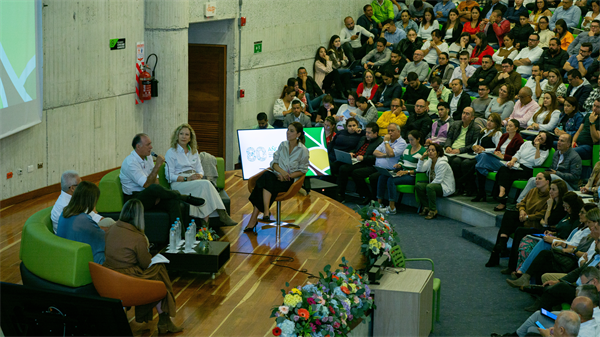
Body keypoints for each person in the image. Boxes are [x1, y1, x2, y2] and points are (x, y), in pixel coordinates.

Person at [103, 199, 182, 335]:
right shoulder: (137, 237)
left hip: (108, 275)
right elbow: (145, 263)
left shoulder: (112, 228)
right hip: (127, 278)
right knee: (160, 270)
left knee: (158, 275)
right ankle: (164, 320)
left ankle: (164, 320)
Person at [119, 133, 204, 227]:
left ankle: (179, 238)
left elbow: (155, 180)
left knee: (174, 203)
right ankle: (184, 197)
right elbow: (147, 184)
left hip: (150, 195)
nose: (151, 147)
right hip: (134, 199)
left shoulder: (148, 157)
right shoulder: (131, 162)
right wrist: (158, 165)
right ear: (138, 146)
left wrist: (158, 195)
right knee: (153, 188)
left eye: (150, 144)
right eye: (148, 145)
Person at [165, 124, 237, 227]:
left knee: (203, 188)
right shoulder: (171, 152)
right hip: (179, 183)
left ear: (190, 138)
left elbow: (200, 170)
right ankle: (222, 214)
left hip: (194, 181)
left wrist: (199, 175)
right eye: (181, 134)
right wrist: (187, 178)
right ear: (177, 136)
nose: (183, 137)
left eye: (186, 134)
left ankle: (205, 225)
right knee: (206, 184)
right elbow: (169, 176)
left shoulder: (194, 152)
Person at [244, 122, 309, 232]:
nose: (288, 132)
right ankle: (264, 212)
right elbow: (273, 163)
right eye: (287, 130)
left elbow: (303, 170)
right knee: (267, 177)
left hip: (289, 181)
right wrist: (281, 173)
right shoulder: (282, 145)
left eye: (291, 131)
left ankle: (261, 215)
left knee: (264, 182)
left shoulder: (303, 150)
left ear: (298, 134)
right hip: (277, 176)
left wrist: (287, 176)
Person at [510, 195, 589, 281]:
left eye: (567, 207)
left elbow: (570, 242)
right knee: (526, 240)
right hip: (560, 240)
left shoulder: (580, 224)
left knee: (542, 243)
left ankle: (522, 272)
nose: (579, 214)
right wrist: (553, 233)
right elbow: (560, 230)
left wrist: (554, 239)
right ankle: (518, 269)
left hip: (566, 248)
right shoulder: (577, 223)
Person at [485, 171, 552, 267]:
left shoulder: (549, 196)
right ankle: (502, 243)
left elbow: (542, 214)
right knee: (508, 215)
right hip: (523, 218)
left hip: (533, 222)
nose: (536, 181)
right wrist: (521, 211)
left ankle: (497, 251)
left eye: (540, 179)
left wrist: (527, 217)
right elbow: (522, 203)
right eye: (536, 178)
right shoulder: (533, 191)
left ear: (547, 181)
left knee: (508, 226)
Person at [492, 131, 553, 211]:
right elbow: (518, 154)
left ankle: (502, 198)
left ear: (544, 143)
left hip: (528, 169)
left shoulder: (545, 151)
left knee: (508, 174)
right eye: (538, 136)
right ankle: (502, 195)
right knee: (504, 169)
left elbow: (537, 163)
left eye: (541, 139)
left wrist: (537, 148)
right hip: (518, 165)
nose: (538, 138)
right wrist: (512, 161)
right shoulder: (527, 143)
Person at [518, 133, 582, 204]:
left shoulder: (575, 157)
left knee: (553, 177)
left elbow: (575, 176)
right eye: (558, 140)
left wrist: (556, 173)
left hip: (569, 185)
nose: (558, 142)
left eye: (562, 141)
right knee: (533, 180)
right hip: (555, 181)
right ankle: (520, 202)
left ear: (568, 145)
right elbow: (552, 168)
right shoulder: (556, 153)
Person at [472, 119, 525, 202]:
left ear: (516, 128)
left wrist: (504, 156)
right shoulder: (504, 136)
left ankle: (481, 192)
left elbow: (518, 157)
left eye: (510, 126)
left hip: (507, 162)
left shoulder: (519, 140)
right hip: (498, 158)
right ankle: (481, 192)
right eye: (507, 125)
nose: (507, 127)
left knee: (481, 161)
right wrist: (497, 152)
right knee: (482, 155)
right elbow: (497, 149)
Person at [353, 123, 406, 203]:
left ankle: (375, 200)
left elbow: (391, 154)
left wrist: (386, 143)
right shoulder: (386, 141)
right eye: (389, 131)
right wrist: (385, 155)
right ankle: (368, 195)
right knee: (356, 173)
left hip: (389, 169)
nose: (390, 133)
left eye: (392, 131)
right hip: (377, 167)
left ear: (399, 131)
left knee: (373, 177)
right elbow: (375, 152)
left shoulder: (401, 143)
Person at [331, 122, 382, 203]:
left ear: (376, 133)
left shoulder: (379, 142)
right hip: (356, 159)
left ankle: (341, 194)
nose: (367, 134)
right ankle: (333, 190)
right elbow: (356, 149)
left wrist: (364, 158)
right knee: (335, 165)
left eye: (369, 133)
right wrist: (352, 153)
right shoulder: (363, 138)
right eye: (366, 132)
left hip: (366, 163)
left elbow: (377, 158)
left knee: (344, 169)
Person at [377, 130, 427, 213]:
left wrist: (406, 172)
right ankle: (379, 203)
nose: (410, 142)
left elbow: (421, 169)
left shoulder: (422, 152)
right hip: (403, 171)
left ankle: (392, 207)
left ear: (418, 139)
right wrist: (399, 164)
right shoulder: (408, 147)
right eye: (409, 140)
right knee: (382, 176)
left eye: (412, 140)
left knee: (391, 180)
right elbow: (402, 159)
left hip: (412, 176)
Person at [56, 181, 106, 264]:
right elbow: (103, 237)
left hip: (67, 255)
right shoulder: (82, 219)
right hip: (80, 260)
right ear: (91, 201)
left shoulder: (65, 212)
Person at [456, 113, 503, 195]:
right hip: (478, 155)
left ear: (496, 123)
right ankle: (469, 188)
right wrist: (475, 147)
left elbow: (498, 149)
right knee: (462, 163)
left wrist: (484, 150)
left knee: (467, 164)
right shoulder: (483, 131)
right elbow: (475, 143)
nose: (489, 122)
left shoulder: (497, 133)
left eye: (492, 121)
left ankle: (463, 184)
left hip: (488, 158)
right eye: (488, 120)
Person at [444, 107, 481, 194]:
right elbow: (449, 137)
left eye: (467, 114)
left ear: (472, 117)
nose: (464, 115)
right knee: (446, 159)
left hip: (464, 152)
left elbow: (473, 144)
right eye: (463, 113)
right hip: (451, 150)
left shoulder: (476, 128)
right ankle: (452, 185)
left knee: (457, 162)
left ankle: (459, 186)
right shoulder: (455, 124)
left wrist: (460, 150)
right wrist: (447, 146)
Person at [415, 143, 456, 219]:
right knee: (418, 186)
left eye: (433, 150)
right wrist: (422, 158)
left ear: (438, 153)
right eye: (429, 150)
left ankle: (433, 210)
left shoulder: (442, 163)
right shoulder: (430, 161)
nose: (430, 152)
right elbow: (419, 170)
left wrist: (428, 187)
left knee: (430, 187)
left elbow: (439, 180)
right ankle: (426, 207)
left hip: (445, 187)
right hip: (434, 185)